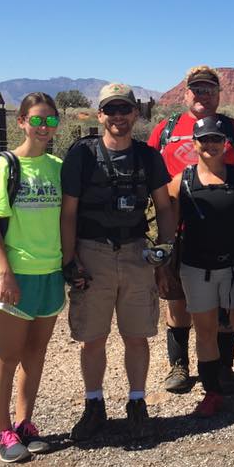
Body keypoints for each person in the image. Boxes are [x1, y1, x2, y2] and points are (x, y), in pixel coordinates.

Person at [61, 82, 178, 442]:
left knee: (137, 336)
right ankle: (94, 405)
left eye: (124, 109)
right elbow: (68, 213)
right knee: (92, 338)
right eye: (110, 110)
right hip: (91, 251)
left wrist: (164, 252)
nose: (118, 117)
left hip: (135, 254)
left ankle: (137, 404)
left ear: (135, 113)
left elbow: (164, 207)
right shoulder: (82, 154)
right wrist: (70, 261)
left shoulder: (148, 157)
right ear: (100, 115)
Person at [147, 65, 234, 395]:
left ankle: (223, 368)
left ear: (218, 94)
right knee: (178, 301)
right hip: (177, 227)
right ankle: (179, 365)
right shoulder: (166, 128)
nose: (202, 95)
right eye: (196, 89)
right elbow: (151, 173)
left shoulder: (233, 128)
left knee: (224, 304)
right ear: (186, 93)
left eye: (208, 90)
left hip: (223, 227)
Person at [168, 115, 234, 424]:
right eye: (204, 140)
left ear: (226, 144)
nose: (210, 145)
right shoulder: (181, 181)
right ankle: (212, 394)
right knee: (205, 331)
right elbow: (168, 225)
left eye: (216, 139)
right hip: (197, 268)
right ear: (194, 144)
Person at [0, 92, 64, 462]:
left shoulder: (58, 167)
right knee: (7, 354)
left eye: (50, 121)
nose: (43, 127)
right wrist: (5, 272)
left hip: (51, 272)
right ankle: (1, 432)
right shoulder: (6, 165)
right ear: (22, 121)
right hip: (16, 275)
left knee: (36, 352)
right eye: (37, 120)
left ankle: (25, 423)